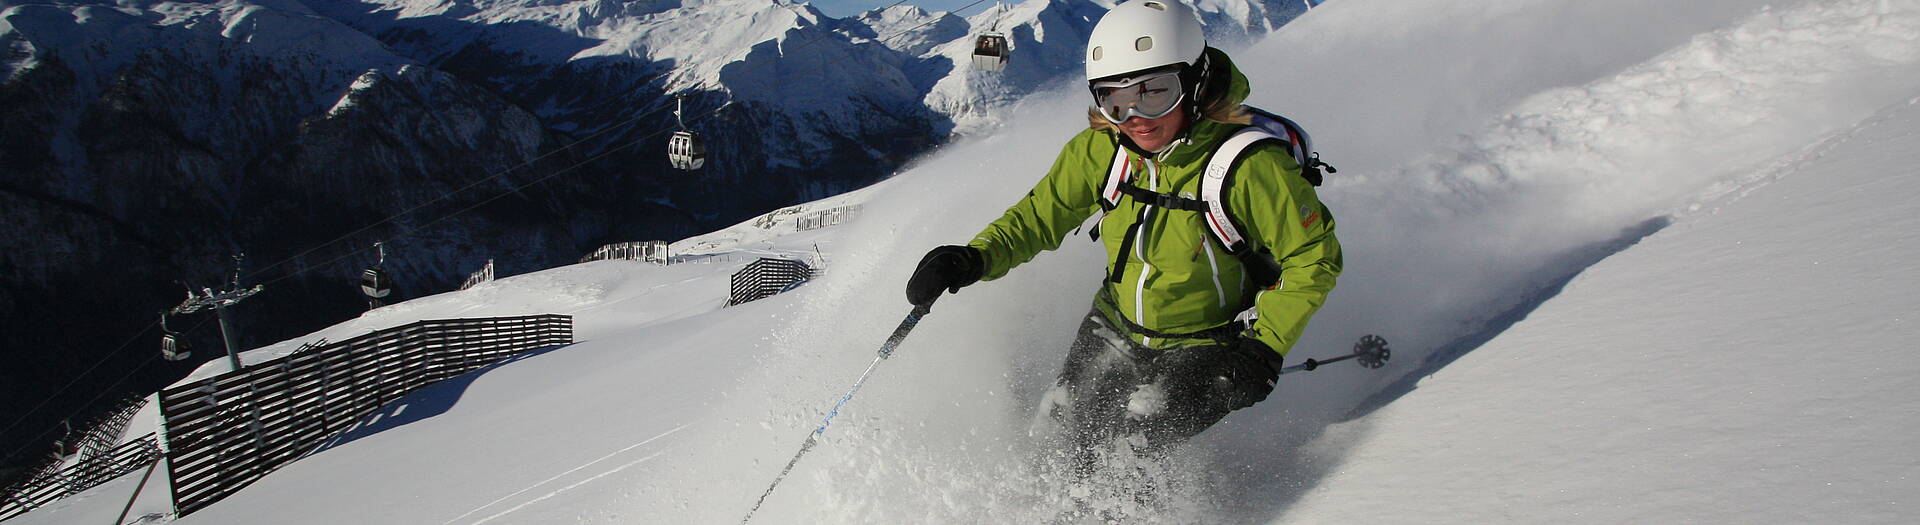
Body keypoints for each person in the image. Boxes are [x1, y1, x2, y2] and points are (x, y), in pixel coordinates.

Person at [903, 0, 1342, 478]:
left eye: (1156, 92)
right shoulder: (1101, 151)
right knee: (1059, 441)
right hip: (1114, 324)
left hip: (1207, 342)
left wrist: (1263, 348)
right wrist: (974, 258)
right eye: (1113, 98)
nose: (1135, 115)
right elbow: (1038, 216)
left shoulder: (1249, 166)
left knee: (1129, 457)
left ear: (1194, 82)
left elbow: (1313, 258)